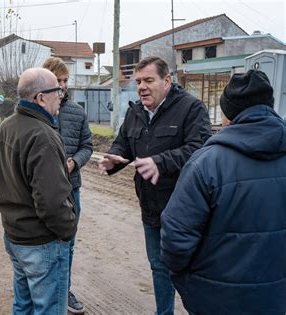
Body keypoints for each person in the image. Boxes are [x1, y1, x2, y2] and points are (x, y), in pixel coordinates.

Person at [160, 70, 286, 315]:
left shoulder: (206, 164)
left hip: (216, 300)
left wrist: (187, 283)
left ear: (227, 113)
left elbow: (175, 240)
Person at [98, 56, 211, 315]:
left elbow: (200, 150)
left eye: (149, 80)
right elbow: (123, 144)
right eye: (138, 81)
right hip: (151, 208)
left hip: (186, 209)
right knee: (159, 267)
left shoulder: (191, 108)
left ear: (167, 80)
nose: (141, 87)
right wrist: (113, 160)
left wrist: (160, 162)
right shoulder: (135, 111)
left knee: (192, 267)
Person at [0, 68, 77, 315]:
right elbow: (51, 202)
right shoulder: (43, 135)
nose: (61, 96)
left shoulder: (4, 127)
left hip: (15, 236)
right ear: (40, 97)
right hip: (41, 242)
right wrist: (68, 230)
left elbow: (1, 180)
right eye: (57, 91)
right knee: (47, 309)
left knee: (23, 306)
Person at [43, 56, 92, 314]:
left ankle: (65, 289)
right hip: (41, 192)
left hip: (71, 190)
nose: (62, 86)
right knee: (44, 244)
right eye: (57, 81)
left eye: (65, 81)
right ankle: (46, 292)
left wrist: (75, 161)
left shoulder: (77, 112)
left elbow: (88, 146)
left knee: (68, 243)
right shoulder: (36, 113)